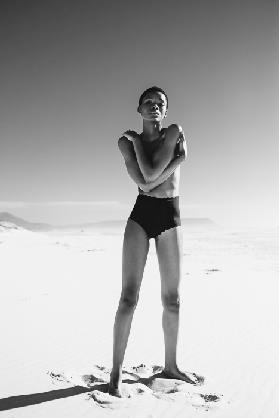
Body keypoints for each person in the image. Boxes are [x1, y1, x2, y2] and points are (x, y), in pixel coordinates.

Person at [109, 86, 201, 397]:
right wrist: (179, 161)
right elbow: (145, 179)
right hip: (140, 215)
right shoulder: (126, 141)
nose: (155, 107)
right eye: (148, 102)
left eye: (160, 103)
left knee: (172, 300)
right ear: (138, 109)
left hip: (169, 214)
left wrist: (170, 158)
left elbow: (149, 177)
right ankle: (116, 373)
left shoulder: (173, 132)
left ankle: (171, 366)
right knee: (128, 299)